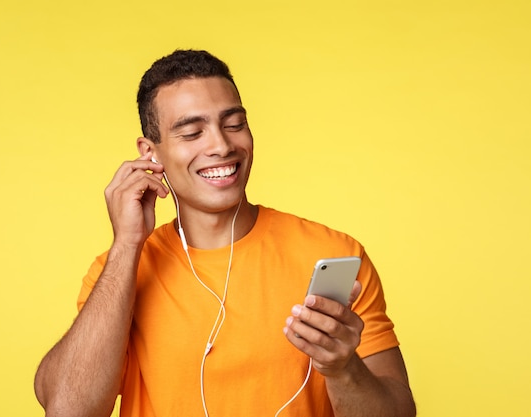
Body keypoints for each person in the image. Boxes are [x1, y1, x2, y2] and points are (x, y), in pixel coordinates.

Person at [34, 49, 416, 417]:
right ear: (151, 153)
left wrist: (342, 368)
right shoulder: (118, 272)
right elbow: (68, 410)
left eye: (234, 124)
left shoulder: (332, 254)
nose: (221, 145)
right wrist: (127, 244)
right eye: (192, 132)